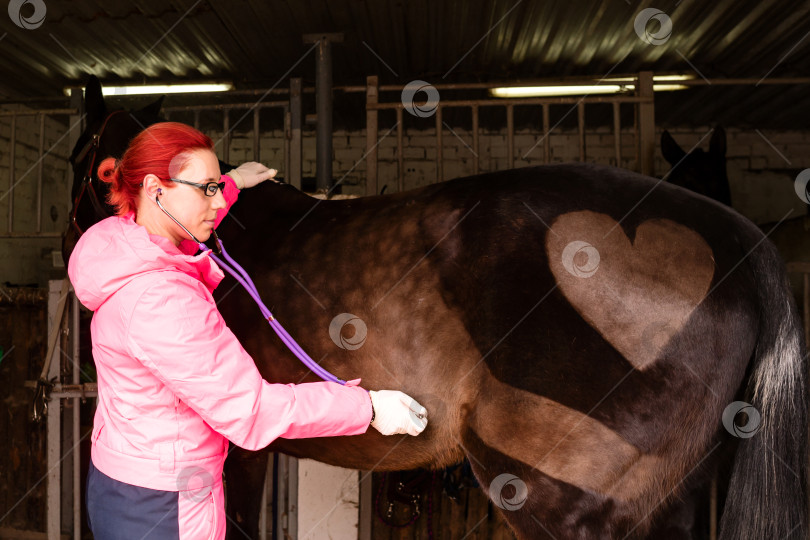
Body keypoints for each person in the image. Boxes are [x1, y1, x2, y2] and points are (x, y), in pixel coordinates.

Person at [67, 122, 427, 539]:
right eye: (207, 189)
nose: (219, 202)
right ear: (155, 188)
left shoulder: (119, 244)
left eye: (218, 187)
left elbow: (174, 226)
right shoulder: (163, 301)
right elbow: (250, 412)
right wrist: (368, 408)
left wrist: (232, 182)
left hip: (123, 478)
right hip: (166, 506)